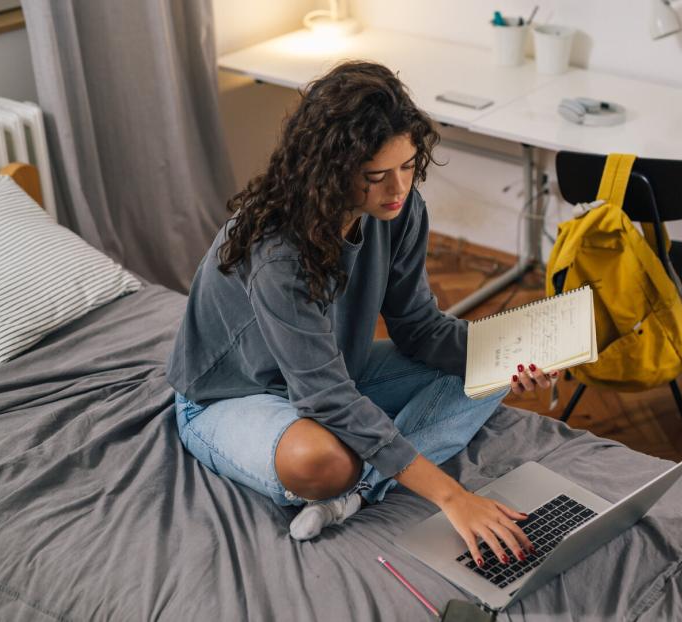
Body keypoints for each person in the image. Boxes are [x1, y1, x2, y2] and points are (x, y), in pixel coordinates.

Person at [166, 61, 553, 568]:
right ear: (331, 169)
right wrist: (452, 496)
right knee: (326, 461)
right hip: (230, 397)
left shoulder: (401, 208)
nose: (397, 189)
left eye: (409, 166)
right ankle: (350, 483)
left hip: (329, 376)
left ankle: (358, 495)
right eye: (376, 175)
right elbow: (327, 399)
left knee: (492, 363)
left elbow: (418, 328)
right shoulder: (277, 248)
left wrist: (518, 356)